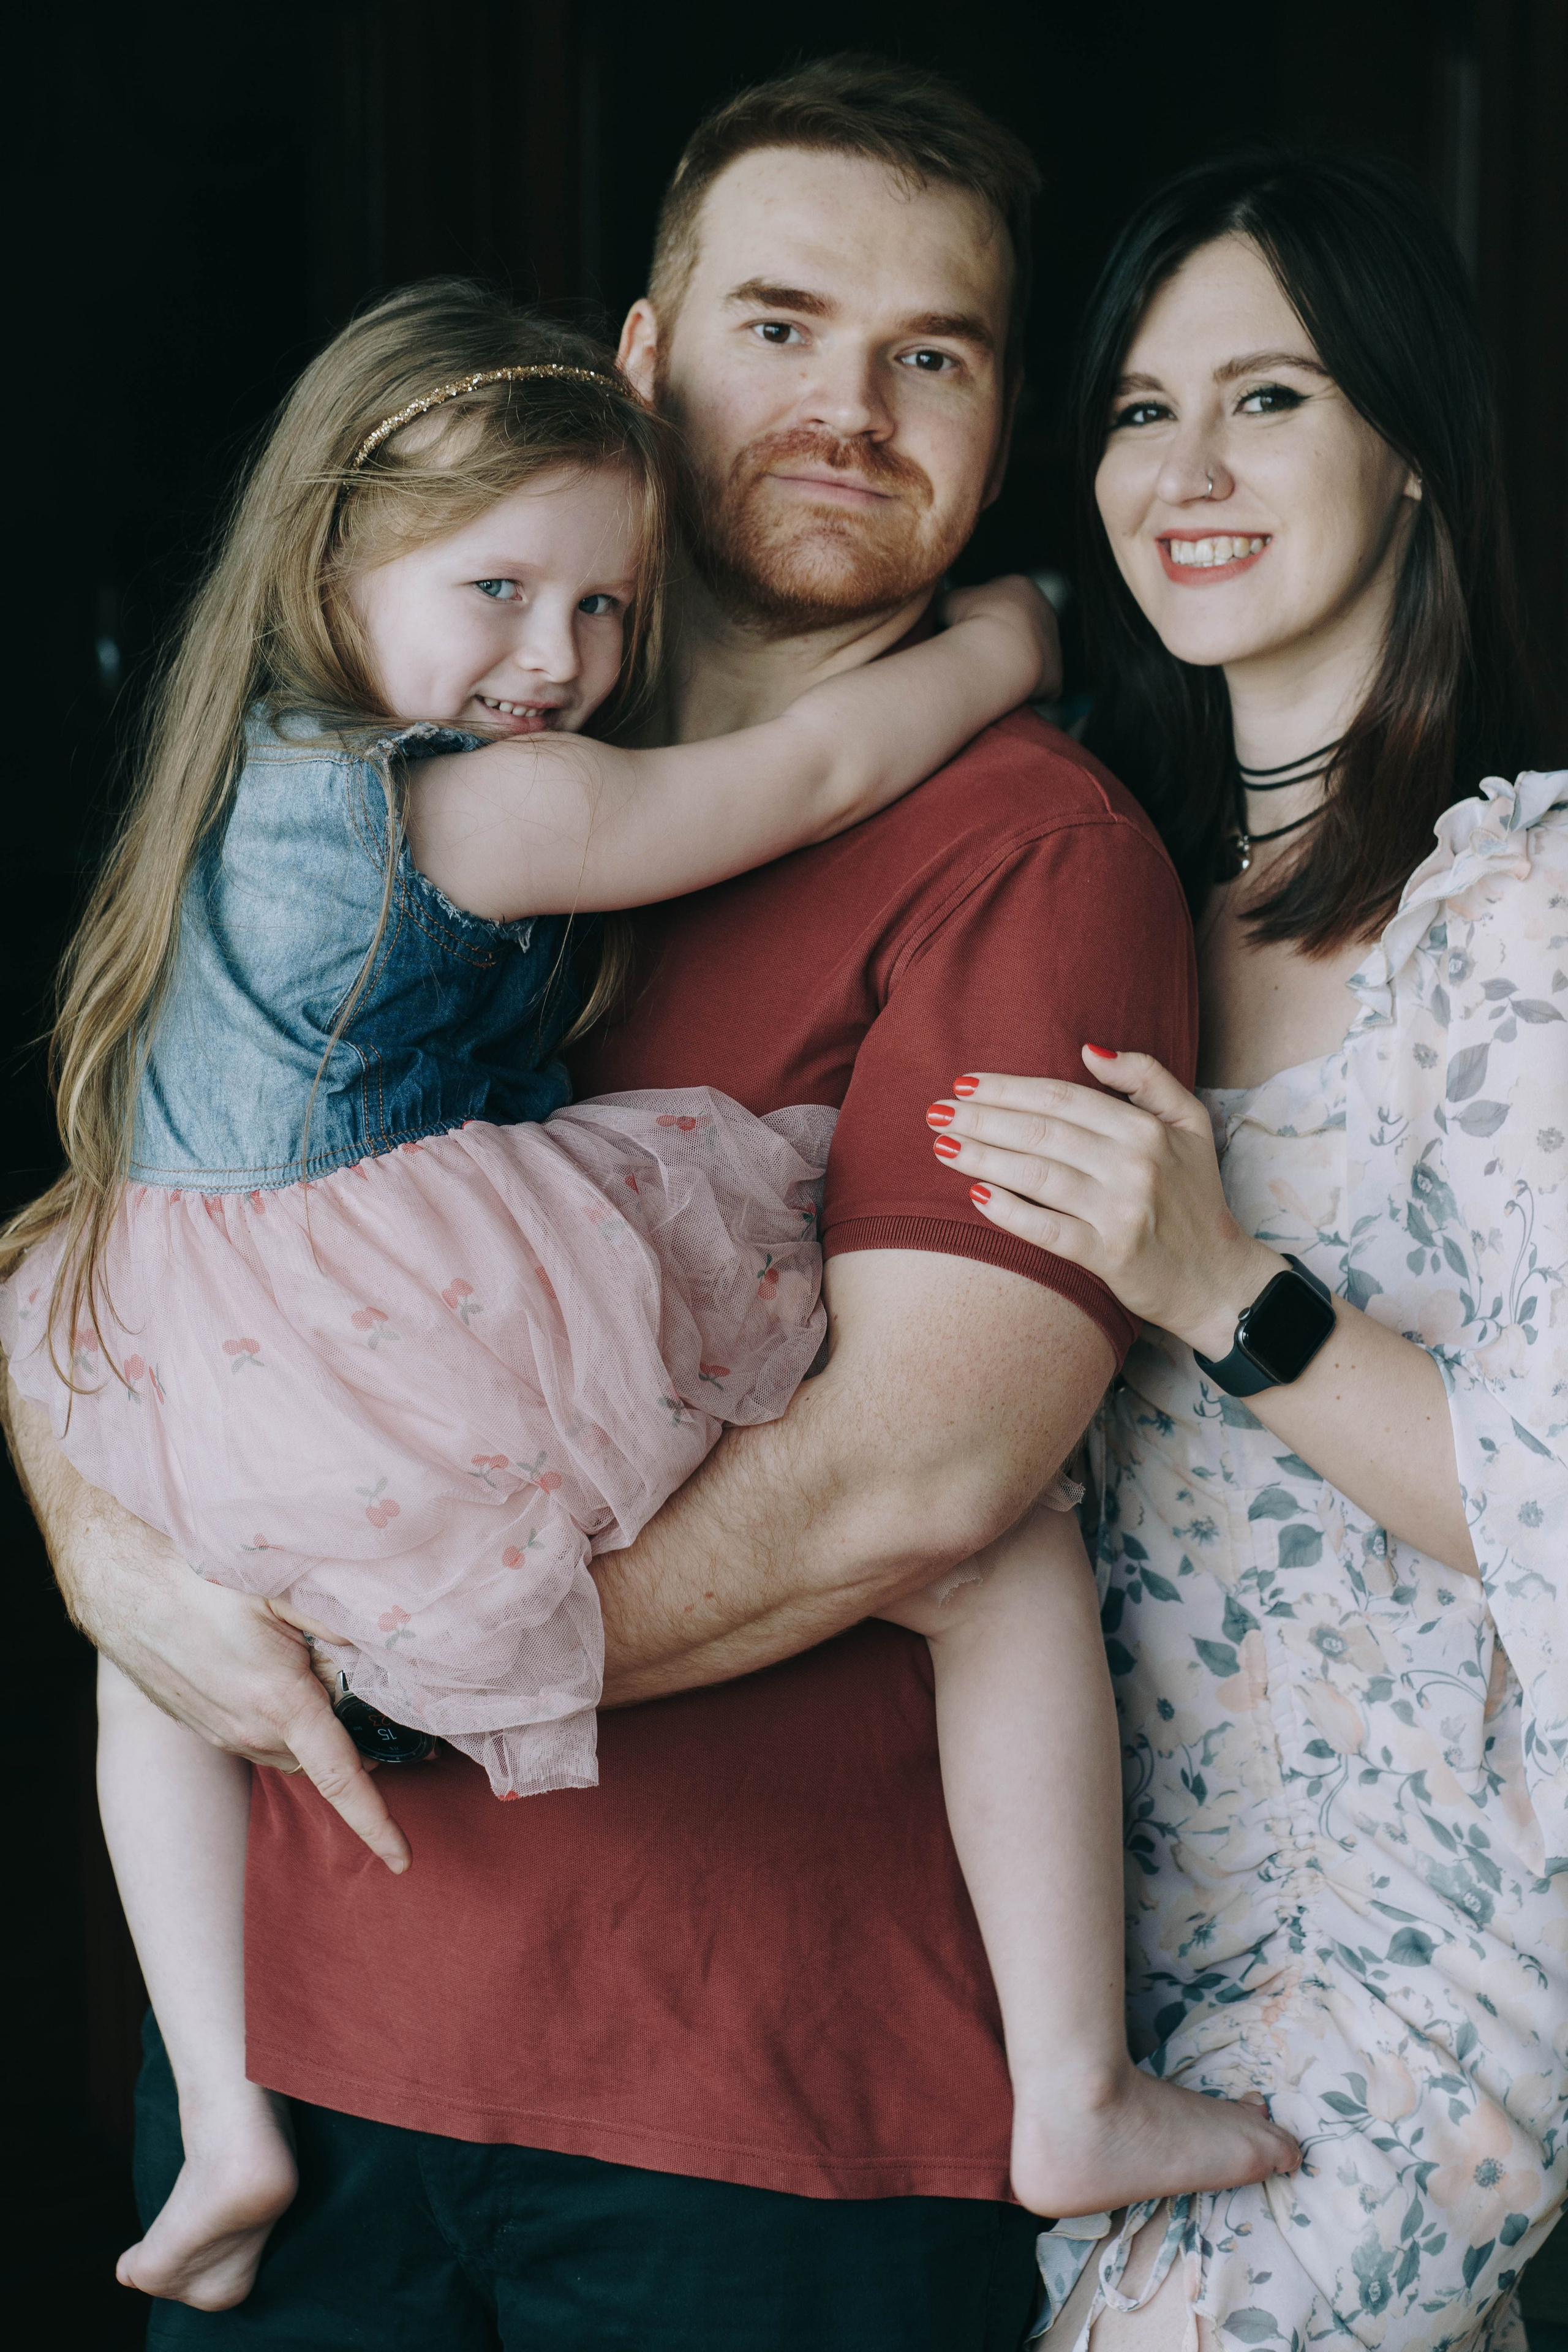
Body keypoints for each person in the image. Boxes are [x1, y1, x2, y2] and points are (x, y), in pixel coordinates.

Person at [2, 61, 1273, 2350]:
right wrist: (109, 1554)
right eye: (783, 323)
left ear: (1000, 430)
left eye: (938, 356)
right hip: (320, 2067)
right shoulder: (467, 762)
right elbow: (94, 1233)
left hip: (734, 2108)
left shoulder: (1029, 848)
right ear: (646, 357)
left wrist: (356, 1679)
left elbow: (922, 1479)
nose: (854, 406)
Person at [924, 150, 1564, 2352]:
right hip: (1106, 1958)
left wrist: (1220, 1287)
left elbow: (1551, 1506)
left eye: (1269, 398)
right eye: (1132, 408)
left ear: (1407, 451)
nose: (1183, 467)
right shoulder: (1099, 888)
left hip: (1420, 1943)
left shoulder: (1519, 916)